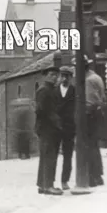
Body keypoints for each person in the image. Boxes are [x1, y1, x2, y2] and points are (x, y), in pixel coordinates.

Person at [35, 65, 63, 195]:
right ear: (45, 76)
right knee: (49, 156)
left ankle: (43, 185)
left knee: (46, 156)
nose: (55, 77)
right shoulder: (45, 90)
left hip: (47, 127)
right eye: (52, 75)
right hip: (48, 128)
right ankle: (48, 186)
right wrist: (57, 123)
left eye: (56, 75)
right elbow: (43, 110)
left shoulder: (49, 89)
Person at [83, 55, 106, 187]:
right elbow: (102, 98)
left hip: (89, 115)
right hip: (97, 113)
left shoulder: (88, 80)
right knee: (93, 146)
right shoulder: (96, 77)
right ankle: (97, 175)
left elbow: (88, 101)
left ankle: (92, 176)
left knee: (88, 146)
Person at [56, 66, 76, 191]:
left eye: (67, 76)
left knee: (67, 155)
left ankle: (64, 181)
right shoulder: (54, 90)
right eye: (62, 76)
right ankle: (50, 182)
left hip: (69, 127)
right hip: (56, 126)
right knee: (53, 155)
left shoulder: (74, 91)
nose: (64, 79)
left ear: (70, 77)